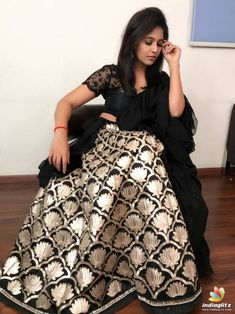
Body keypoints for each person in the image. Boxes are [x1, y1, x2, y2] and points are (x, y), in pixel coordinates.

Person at [0, 7, 213, 314]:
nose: (154, 49)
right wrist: (60, 134)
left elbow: (177, 112)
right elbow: (67, 102)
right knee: (67, 189)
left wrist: (175, 65)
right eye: (148, 41)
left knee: (145, 160)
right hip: (108, 146)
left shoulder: (162, 80)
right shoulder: (111, 74)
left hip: (145, 151)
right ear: (134, 41)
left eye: (160, 43)